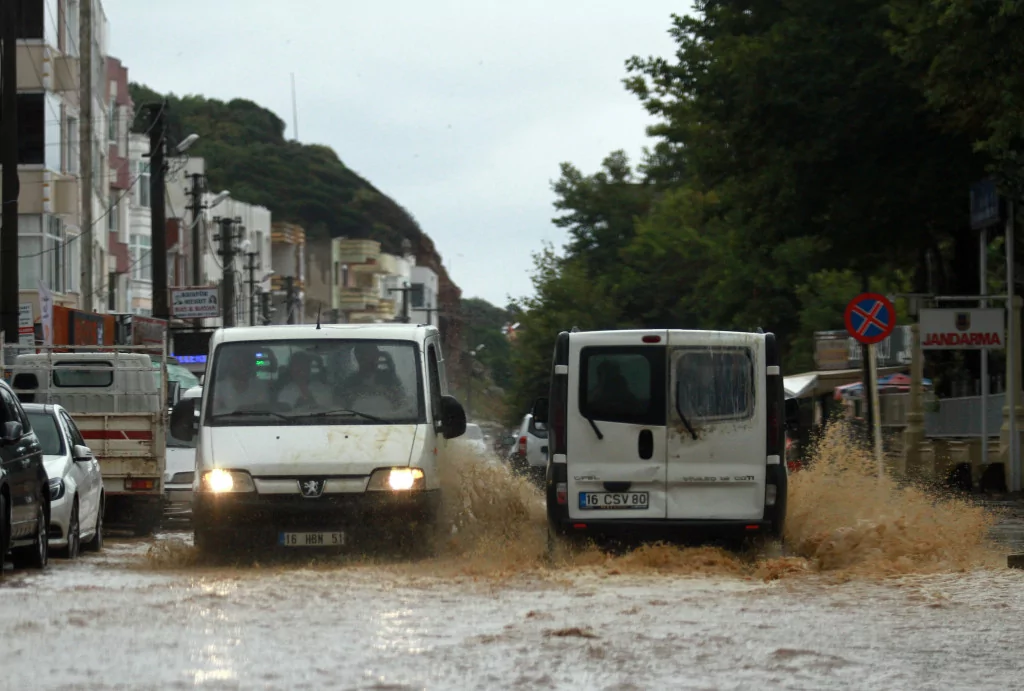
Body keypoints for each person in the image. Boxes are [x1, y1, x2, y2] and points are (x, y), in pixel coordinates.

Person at [339, 342, 405, 408]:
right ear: (358, 357)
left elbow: (402, 403)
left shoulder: (389, 378)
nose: (372, 359)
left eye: (375, 355)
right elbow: (342, 408)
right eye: (366, 355)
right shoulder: (349, 383)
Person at [210, 346, 271, 416]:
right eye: (238, 362)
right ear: (231, 364)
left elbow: (263, 408)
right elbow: (215, 411)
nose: (242, 365)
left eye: (245, 361)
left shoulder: (259, 386)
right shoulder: (219, 387)